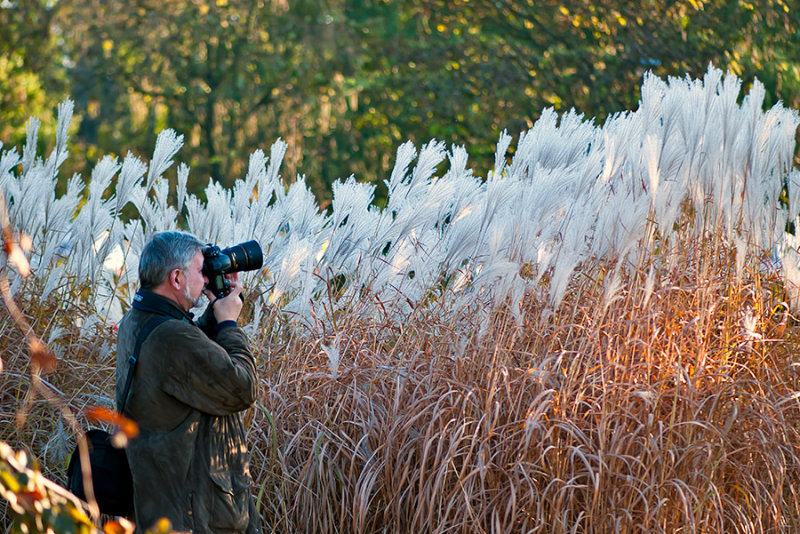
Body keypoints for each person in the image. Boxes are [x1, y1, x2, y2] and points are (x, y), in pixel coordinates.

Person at [115, 231, 262, 533]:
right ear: (177, 278)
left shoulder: (138, 319)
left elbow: (189, 359)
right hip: (193, 517)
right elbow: (242, 388)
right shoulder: (171, 337)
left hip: (163, 505)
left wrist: (215, 313)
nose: (206, 279)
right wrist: (229, 324)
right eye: (200, 270)